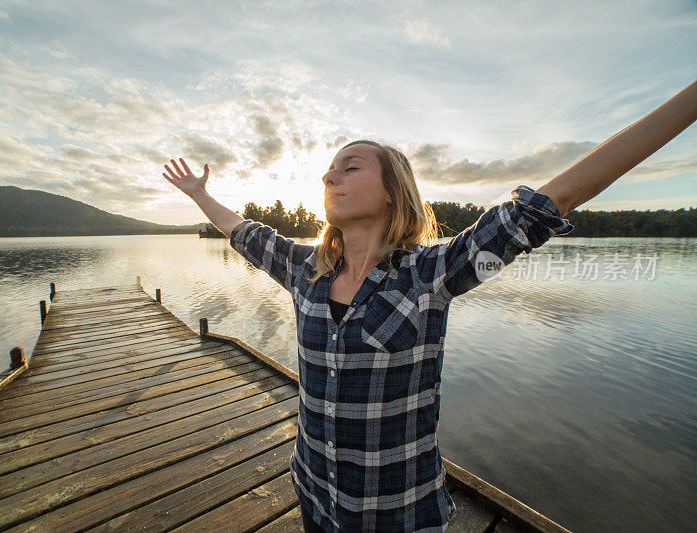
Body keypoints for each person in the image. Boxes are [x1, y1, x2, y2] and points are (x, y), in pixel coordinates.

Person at [162, 79, 696, 532]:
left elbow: (547, 205)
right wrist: (198, 197)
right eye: (328, 170)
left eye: (349, 167)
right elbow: (244, 234)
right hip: (314, 496)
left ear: (393, 191)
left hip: (395, 514)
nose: (330, 176)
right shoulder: (305, 271)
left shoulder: (430, 276)